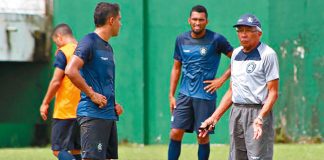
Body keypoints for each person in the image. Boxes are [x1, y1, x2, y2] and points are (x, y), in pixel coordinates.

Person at [199, 14, 279, 160]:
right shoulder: (235, 53)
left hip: (257, 112)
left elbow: (273, 93)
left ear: (259, 33)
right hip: (236, 112)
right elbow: (231, 91)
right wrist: (214, 118)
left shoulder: (268, 54)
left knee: (257, 157)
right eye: (240, 30)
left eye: (248, 30)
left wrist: (260, 117)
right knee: (236, 157)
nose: (243, 34)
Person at [168, 5, 233, 160]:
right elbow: (176, 68)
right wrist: (171, 95)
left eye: (201, 20)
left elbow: (237, 58)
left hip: (205, 96)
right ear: (189, 20)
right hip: (184, 95)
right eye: (195, 19)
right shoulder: (181, 39)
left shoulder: (217, 39)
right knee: (175, 132)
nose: (198, 23)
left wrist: (221, 80)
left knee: (202, 135)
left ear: (207, 21)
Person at [65, 2, 123, 160]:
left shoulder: (108, 47)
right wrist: (92, 94)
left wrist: (113, 104)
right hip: (93, 114)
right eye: (119, 19)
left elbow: (102, 80)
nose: (120, 23)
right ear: (111, 20)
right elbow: (70, 70)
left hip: (108, 115)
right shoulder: (89, 41)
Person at [39, 23, 81, 160]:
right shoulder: (84, 51)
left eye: (56, 42)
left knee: (58, 150)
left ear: (59, 37)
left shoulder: (64, 53)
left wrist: (45, 103)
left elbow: (56, 81)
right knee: (76, 150)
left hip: (66, 110)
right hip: (83, 110)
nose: (57, 46)